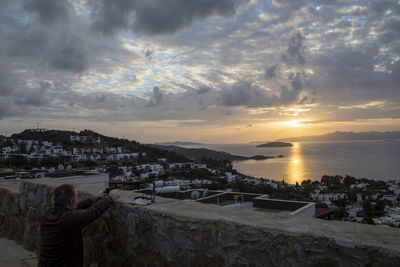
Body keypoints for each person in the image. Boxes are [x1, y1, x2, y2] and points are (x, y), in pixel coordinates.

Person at [38, 184, 120, 267]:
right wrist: (110, 198)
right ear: (72, 201)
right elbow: (94, 211)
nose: (77, 201)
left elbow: (74, 209)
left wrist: (94, 199)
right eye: (76, 199)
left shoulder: (49, 213)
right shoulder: (69, 219)